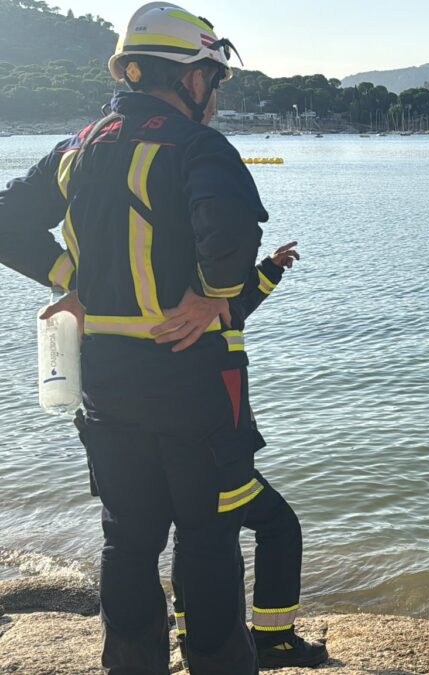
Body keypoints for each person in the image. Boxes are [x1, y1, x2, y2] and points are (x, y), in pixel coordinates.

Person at [0, 4, 265, 672]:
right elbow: (230, 233)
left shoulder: (78, 146)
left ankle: (131, 663)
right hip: (193, 383)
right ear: (188, 78)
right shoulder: (197, 145)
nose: (214, 93)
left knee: (128, 537)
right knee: (207, 540)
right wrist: (211, 293)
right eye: (213, 77)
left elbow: (5, 223)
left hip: (108, 384)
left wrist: (73, 278)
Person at [171, 242, 329, 670]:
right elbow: (225, 310)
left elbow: (233, 306)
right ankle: (272, 641)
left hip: (188, 448)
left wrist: (269, 272)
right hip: (216, 449)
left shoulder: (172, 292)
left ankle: (190, 638)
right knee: (278, 526)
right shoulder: (194, 306)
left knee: (190, 538)